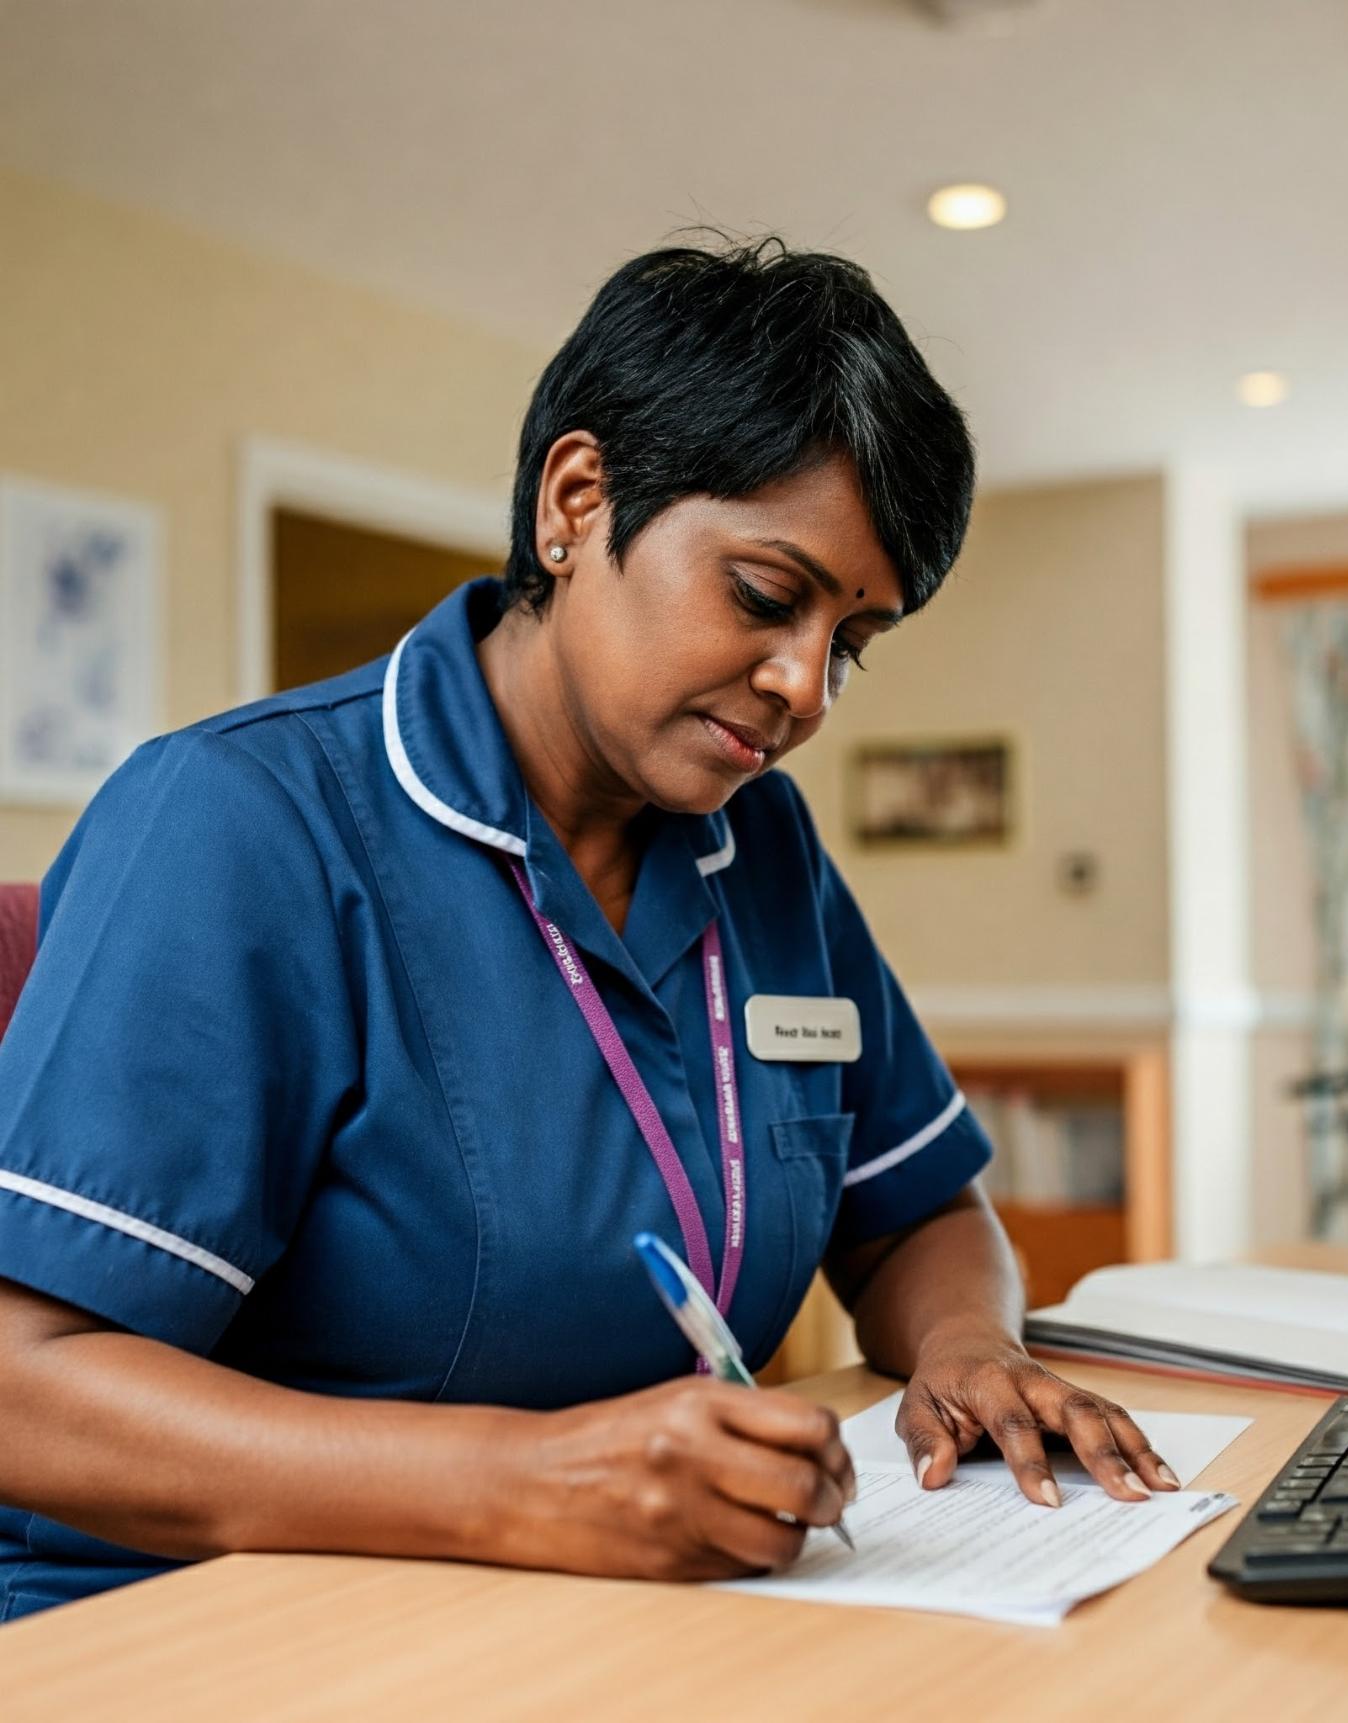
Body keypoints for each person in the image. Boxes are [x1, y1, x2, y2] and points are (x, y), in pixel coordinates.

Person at [0, 239, 1176, 1622]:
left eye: (852, 642)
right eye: (763, 595)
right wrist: (531, 1481)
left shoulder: (766, 850)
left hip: (611, 1608)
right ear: (576, 500)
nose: (804, 687)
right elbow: (29, 1384)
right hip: (201, 1625)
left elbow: (918, 1206)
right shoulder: (238, 821)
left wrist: (969, 1347)